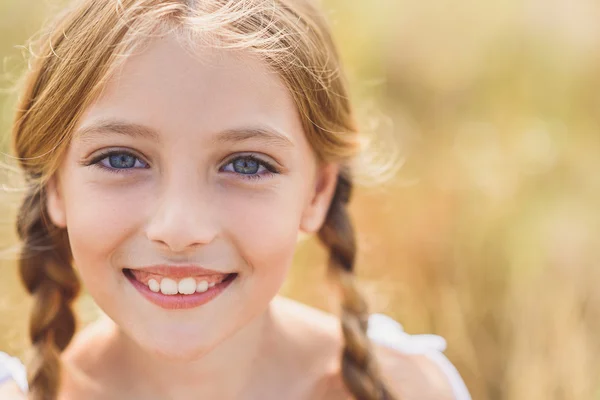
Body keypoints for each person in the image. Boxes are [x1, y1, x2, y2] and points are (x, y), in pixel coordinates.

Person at [0, 0, 471, 399]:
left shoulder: (407, 387)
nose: (179, 228)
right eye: (121, 159)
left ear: (317, 191)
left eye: (246, 164)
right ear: (54, 185)